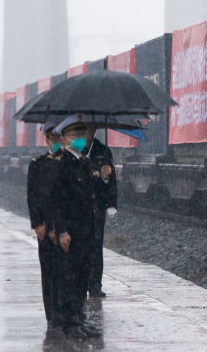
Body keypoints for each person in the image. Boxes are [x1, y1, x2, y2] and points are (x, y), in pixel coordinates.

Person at [47, 116, 101, 340]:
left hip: (85, 230)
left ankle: (79, 318)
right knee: (68, 277)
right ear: (63, 139)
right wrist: (61, 230)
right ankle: (69, 323)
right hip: (70, 230)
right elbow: (56, 201)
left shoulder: (83, 162)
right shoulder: (60, 164)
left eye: (82, 134)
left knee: (81, 277)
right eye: (74, 135)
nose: (80, 138)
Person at [27, 125, 60, 329]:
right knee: (49, 270)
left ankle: (68, 311)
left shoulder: (69, 163)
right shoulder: (37, 165)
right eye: (52, 138)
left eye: (59, 138)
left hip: (66, 225)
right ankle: (51, 313)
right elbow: (33, 196)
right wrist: (37, 223)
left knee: (68, 271)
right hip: (46, 225)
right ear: (47, 140)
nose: (56, 142)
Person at [83, 126, 117, 298]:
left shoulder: (103, 151)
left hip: (97, 205)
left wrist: (112, 203)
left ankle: (95, 284)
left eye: (90, 130)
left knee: (96, 246)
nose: (87, 134)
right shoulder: (73, 150)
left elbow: (112, 180)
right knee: (81, 246)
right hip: (79, 206)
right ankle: (81, 282)